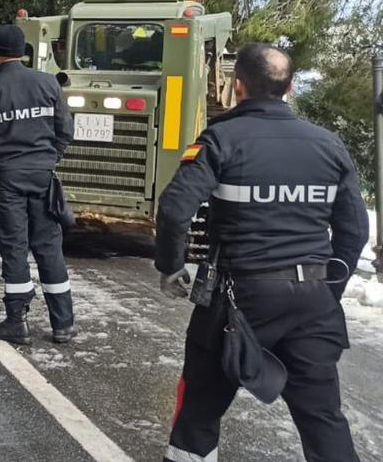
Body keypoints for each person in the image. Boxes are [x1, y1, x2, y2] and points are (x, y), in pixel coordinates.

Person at [155, 43, 369, 462]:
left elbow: (174, 207)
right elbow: (355, 230)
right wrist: (329, 289)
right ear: (289, 87)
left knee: (200, 411)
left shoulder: (221, 139)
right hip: (312, 304)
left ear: (237, 87)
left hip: (236, 304)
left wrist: (171, 266)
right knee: (323, 418)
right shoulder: (328, 145)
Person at [0, 24, 76, 344]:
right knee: (49, 247)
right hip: (42, 177)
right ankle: (63, 323)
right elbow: (65, 130)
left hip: (6, 180)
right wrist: (49, 158)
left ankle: (16, 321)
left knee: (14, 248)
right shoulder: (48, 84)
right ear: (23, 51)